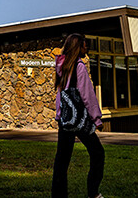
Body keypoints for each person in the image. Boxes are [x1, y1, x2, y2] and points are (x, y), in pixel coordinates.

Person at [51, 34, 104, 198]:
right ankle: (93, 193)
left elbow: (61, 94)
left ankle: (58, 196)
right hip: (80, 121)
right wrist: (96, 119)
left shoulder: (62, 65)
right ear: (78, 47)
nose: (86, 48)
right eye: (84, 46)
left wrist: (59, 115)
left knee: (62, 160)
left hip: (65, 120)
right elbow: (87, 95)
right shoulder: (79, 66)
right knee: (97, 153)